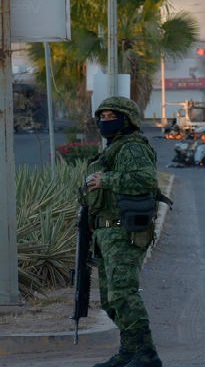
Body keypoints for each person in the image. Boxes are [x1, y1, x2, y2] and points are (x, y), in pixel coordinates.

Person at [81, 96, 162, 367]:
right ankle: (129, 352)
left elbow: (145, 180)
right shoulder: (113, 148)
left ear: (126, 119)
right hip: (105, 233)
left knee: (124, 293)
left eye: (111, 116)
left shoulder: (132, 147)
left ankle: (146, 354)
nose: (105, 121)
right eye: (101, 117)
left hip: (124, 232)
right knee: (110, 299)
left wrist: (106, 180)